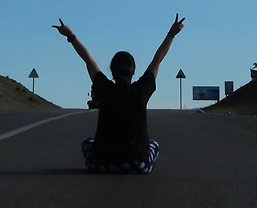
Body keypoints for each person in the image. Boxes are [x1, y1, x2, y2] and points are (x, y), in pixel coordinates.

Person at [52, 14, 186, 174]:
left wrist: (70, 36)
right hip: (137, 164)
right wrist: (171, 34)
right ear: (133, 72)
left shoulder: (105, 89)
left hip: (103, 163)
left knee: (87, 143)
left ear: (112, 71)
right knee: (153, 145)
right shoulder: (141, 90)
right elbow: (157, 60)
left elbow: (88, 60)